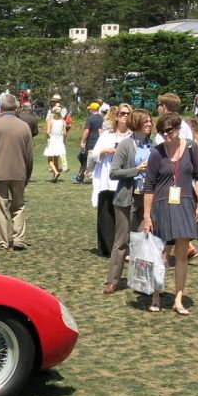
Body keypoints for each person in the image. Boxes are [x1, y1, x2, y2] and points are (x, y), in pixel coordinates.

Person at [141, 112, 198, 315]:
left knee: (182, 255)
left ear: (178, 128)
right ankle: (156, 295)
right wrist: (147, 216)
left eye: (168, 130)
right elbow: (149, 186)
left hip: (185, 203)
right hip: (161, 204)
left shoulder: (192, 147)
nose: (165, 134)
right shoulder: (157, 152)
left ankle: (178, 299)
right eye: (161, 131)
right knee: (161, 255)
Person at [105, 109, 152, 293]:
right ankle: (113, 280)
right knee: (122, 241)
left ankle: (142, 281)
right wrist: (136, 170)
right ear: (137, 123)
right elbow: (114, 172)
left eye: (150, 121)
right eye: (146, 121)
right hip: (126, 198)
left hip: (146, 198)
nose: (149, 124)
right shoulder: (126, 145)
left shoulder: (154, 145)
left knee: (144, 240)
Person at [0, 92, 34, 251]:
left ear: (0, 108)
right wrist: (27, 174)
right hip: (19, 172)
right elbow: (30, 154)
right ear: (16, 108)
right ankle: (19, 238)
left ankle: (2, 241)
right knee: (19, 205)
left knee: (0, 208)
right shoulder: (24, 126)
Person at [90, 106, 124, 256]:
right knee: (106, 214)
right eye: (122, 114)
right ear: (116, 116)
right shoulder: (107, 135)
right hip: (106, 178)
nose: (125, 116)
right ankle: (106, 247)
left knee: (122, 216)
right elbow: (94, 154)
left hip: (124, 179)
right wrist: (106, 151)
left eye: (128, 114)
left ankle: (122, 246)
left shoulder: (133, 136)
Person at [75, 101, 103, 183]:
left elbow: (86, 131)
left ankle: (81, 176)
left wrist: (82, 141)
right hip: (100, 141)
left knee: (85, 159)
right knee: (97, 159)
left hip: (91, 141)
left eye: (90, 108)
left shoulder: (90, 119)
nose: (89, 110)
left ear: (92, 109)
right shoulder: (102, 118)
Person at [43, 105, 68, 181]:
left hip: (52, 140)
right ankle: (55, 175)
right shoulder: (63, 121)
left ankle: (56, 172)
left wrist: (48, 137)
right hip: (59, 141)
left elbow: (48, 132)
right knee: (56, 159)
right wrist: (63, 141)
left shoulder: (50, 121)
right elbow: (65, 133)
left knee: (50, 159)